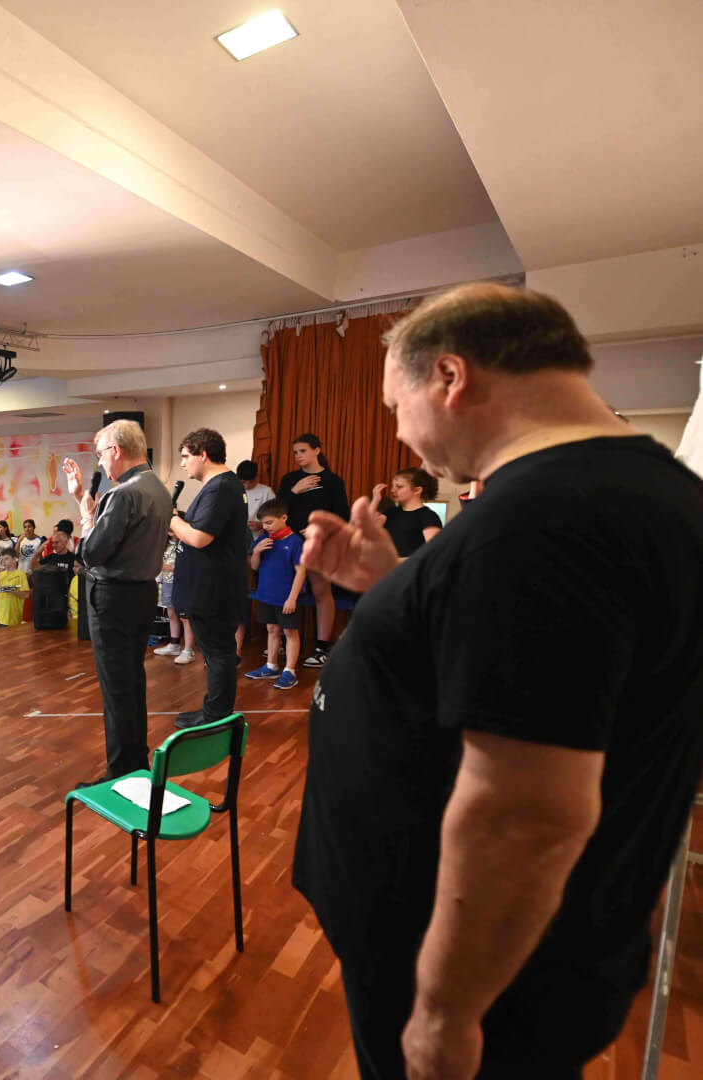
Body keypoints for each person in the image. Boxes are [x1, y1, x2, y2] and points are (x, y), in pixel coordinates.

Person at [295, 282, 703, 1079]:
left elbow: (524, 814)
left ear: (451, 377)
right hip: (537, 959)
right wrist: (395, 586)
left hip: (479, 984)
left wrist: (446, 1013)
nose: (400, 432)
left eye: (396, 405)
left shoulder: (540, 523)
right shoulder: (646, 492)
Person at [61, 419, 172, 781]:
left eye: (100, 455)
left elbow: (91, 553)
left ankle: (122, 773)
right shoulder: (157, 487)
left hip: (114, 598)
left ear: (116, 451)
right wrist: (83, 498)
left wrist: (84, 514)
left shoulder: (123, 494)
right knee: (132, 683)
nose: (100, 462)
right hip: (143, 593)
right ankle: (136, 763)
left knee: (117, 689)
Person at [168, 428, 249, 729]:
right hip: (214, 586)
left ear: (203, 454)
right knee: (218, 653)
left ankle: (216, 716)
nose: (183, 463)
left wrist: (172, 518)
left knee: (218, 654)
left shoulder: (220, 488)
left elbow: (200, 538)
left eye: (185, 456)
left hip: (213, 588)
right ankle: (214, 710)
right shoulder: (225, 485)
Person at [277, 434, 349, 666]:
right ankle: (281, 641)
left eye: (303, 451)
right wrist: (293, 491)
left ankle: (321, 648)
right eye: (295, 452)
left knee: (321, 591)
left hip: (320, 544)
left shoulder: (333, 481)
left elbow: (342, 517)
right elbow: (276, 512)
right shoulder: (289, 480)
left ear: (317, 450)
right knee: (286, 591)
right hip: (290, 543)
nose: (298, 456)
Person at [242, 499, 304, 691]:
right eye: (263, 523)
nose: (266, 527)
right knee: (271, 629)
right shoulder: (263, 539)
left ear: (283, 518)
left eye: (269, 522)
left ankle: (290, 671)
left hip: (286, 597)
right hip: (266, 594)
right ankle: (271, 666)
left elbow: (301, 571)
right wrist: (256, 552)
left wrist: (292, 598)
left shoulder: (295, 541)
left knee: (290, 631)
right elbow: (254, 567)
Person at [380, 467, 443, 557]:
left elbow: (434, 552)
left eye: (399, 487)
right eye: (393, 486)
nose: (392, 490)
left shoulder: (428, 516)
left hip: (411, 564)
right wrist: (375, 500)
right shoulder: (390, 512)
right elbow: (367, 531)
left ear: (417, 490)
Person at [237, 460, 277, 534]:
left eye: (251, 482)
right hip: (235, 535)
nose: (247, 486)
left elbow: (276, 515)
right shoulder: (232, 490)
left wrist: (262, 525)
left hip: (257, 537)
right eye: (243, 482)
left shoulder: (266, 491)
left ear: (257, 477)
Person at [0, 553, 29, 626]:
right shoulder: (1, 574)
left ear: (14, 559)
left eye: (6, 559)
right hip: (0, 616)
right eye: (2, 559)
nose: (3, 562)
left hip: (14, 617)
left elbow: (26, 595)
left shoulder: (21, 574)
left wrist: (11, 591)